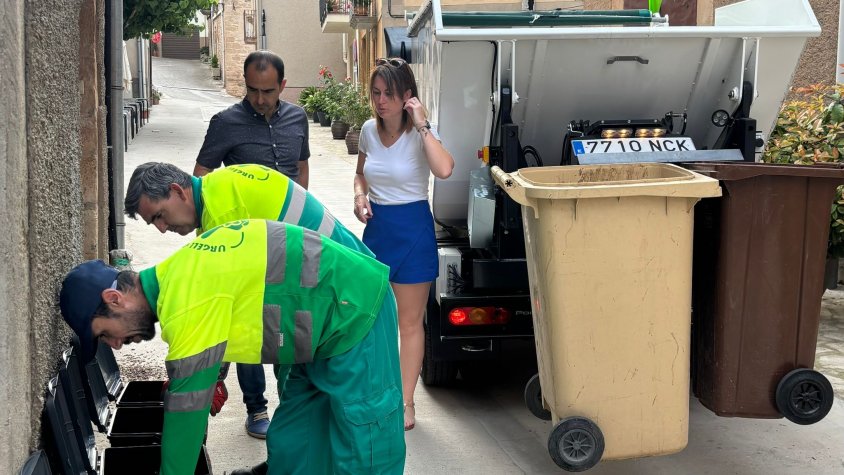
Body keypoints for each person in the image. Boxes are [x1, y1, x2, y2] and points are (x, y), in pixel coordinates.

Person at [59, 220, 405, 475]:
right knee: (294, 443)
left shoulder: (186, 304)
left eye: (106, 334)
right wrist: (212, 375)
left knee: (366, 450)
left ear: (114, 299)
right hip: (313, 337)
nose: (116, 345)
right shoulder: (179, 276)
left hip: (355, 314)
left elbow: (185, 418)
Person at [124, 161, 372, 475]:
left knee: (332, 421)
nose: (161, 228)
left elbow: (224, 306)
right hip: (326, 296)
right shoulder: (218, 192)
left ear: (177, 192)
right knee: (299, 413)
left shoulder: (225, 215)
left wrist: (210, 375)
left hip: (343, 302)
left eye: (159, 216)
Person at [193, 49, 311, 441]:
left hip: (290, 241)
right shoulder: (225, 123)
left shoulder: (298, 118)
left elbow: (301, 167)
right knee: (249, 330)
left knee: (288, 324)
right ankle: (256, 407)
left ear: (282, 84)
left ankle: (291, 405)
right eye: (252, 90)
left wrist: (301, 215)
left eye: (267, 91)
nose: (259, 99)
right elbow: (202, 177)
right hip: (245, 244)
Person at [353, 57, 454, 431]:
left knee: (409, 324)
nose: (381, 101)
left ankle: (407, 403)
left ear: (407, 96)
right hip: (378, 231)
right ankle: (377, 392)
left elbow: (444, 170)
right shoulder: (366, 130)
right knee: (372, 322)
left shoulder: (421, 135)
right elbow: (360, 176)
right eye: (376, 93)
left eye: (390, 94)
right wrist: (359, 198)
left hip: (412, 230)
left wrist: (422, 122)